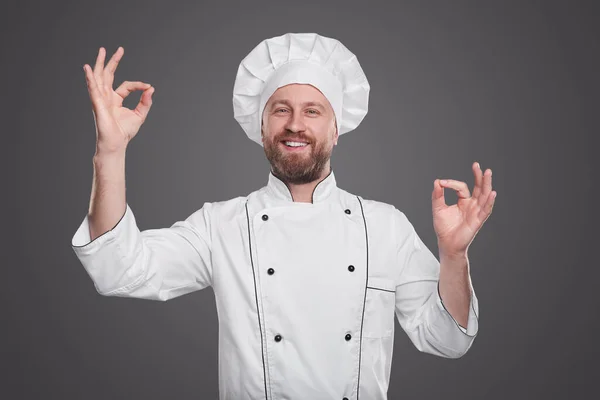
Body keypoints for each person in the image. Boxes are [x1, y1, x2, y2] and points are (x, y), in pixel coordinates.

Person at [71, 32, 496, 400]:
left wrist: (454, 256)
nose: (295, 124)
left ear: (336, 129)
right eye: (280, 109)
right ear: (260, 127)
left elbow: (447, 340)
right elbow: (118, 270)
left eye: (313, 110)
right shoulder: (221, 225)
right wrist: (110, 150)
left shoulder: (385, 227)